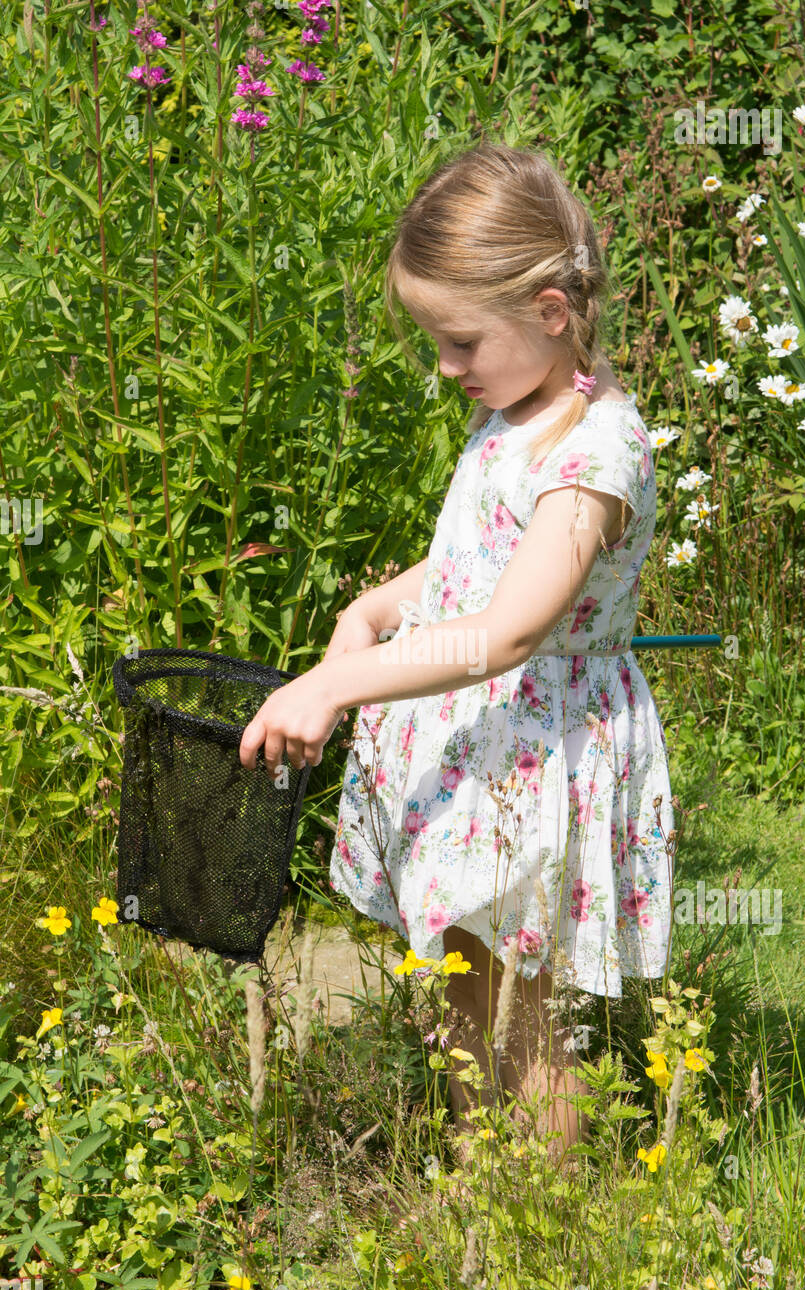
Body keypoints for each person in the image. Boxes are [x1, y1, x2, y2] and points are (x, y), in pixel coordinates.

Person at [239, 142, 675, 1170]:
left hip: (536, 756)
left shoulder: (592, 461)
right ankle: (485, 1177)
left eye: (457, 339)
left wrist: (335, 684)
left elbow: (509, 631)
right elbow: (464, 566)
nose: (445, 365)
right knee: (462, 977)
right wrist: (370, 610)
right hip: (480, 743)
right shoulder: (516, 406)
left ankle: (533, 1218)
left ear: (550, 310)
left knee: (518, 1013)